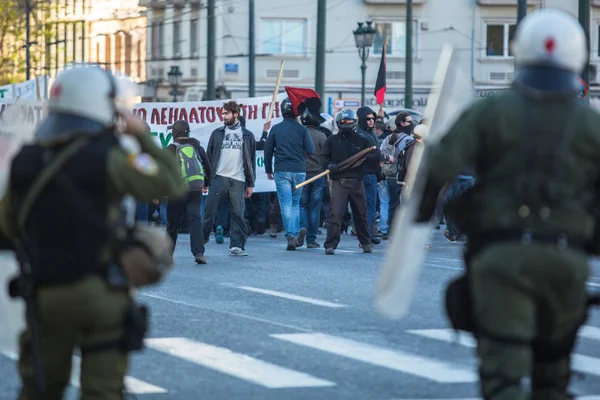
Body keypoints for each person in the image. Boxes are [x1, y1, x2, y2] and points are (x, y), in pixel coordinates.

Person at [416, 9, 600, 400]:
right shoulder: (592, 125)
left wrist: (419, 213)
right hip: (566, 260)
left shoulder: (491, 111)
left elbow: (441, 163)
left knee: (504, 375)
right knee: (553, 372)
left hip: (501, 255)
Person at [0, 65, 185, 400]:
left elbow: (6, 229)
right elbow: (171, 182)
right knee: (102, 391)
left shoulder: (26, 161)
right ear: (103, 105)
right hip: (101, 291)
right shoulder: (111, 156)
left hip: (46, 294)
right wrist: (141, 134)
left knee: (40, 390)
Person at [319, 109, 378, 255]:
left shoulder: (363, 140)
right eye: (344, 122)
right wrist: (328, 165)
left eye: (349, 122)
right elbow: (322, 157)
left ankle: (365, 243)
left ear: (355, 122)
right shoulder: (332, 140)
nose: (347, 124)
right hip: (339, 181)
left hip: (357, 181)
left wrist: (365, 163)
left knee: (361, 214)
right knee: (335, 214)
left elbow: (375, 156)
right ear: (339, 123)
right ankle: (330, 245)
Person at [202, 100, 256, 257]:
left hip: (238, 180)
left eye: (226, 113)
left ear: (235, 115)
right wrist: (206, 181)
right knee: (209, 212)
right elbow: (208, 157)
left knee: (238, 213)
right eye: (222, 113)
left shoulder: (247, 135)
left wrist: (250, 183)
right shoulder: (217, 133)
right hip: (218, 177)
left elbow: (251, 161)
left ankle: (237, 245)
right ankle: (200, 242)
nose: (223, 116)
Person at [264, 98, 315, 250]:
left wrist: (268, 169)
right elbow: (311, 150)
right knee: (295, 203)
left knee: (285, 203)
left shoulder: (276, 128)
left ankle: (291, 235)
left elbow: (268, 150)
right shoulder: (302, 129)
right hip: (299, 170)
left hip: (282, 169)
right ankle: (297, 231)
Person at [165, 119, 212, 264]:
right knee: (195, 221)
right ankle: (199, 253)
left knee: (173, 224)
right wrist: (206, 183)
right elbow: (207, 166)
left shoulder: (171, 148)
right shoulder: (197, 146)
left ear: (176, 133)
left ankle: (167, 255)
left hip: (177, 191)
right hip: (195, 189)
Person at [299, 109, 328, 248]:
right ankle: (311, 239)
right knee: (315, 208)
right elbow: (327, 155)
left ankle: (302, 227)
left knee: (302, 205)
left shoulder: (299, 134)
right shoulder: (322, 136)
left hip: (302, 174)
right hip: (318, 174)